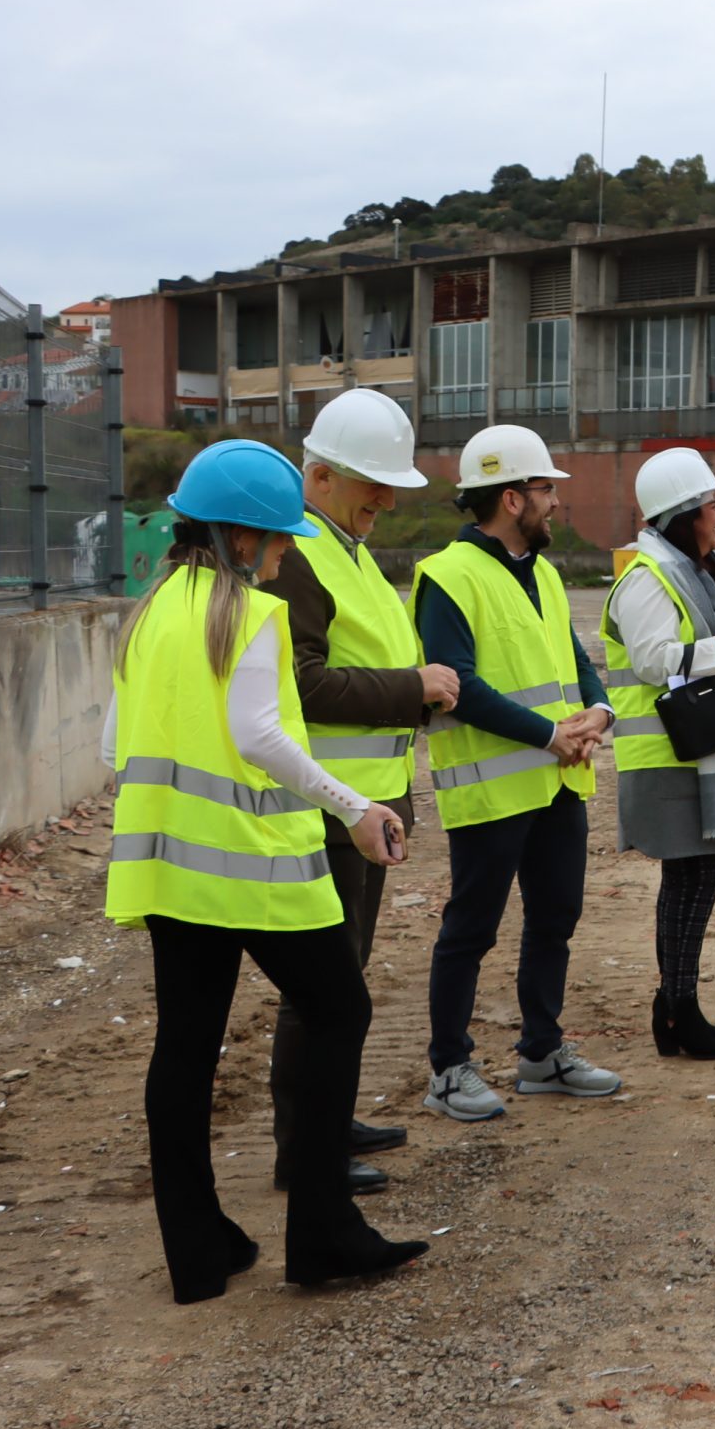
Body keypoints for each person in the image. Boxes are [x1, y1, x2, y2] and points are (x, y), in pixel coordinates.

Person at [102, 440, 427, 1301]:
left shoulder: (150, 611)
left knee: (185, 1047)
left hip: (169, 871)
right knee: (340, 1008)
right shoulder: (250, 614)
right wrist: (355, 809)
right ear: (242, 538)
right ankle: (323, 1234)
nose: (287, 553)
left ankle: (198, 1253)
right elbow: (260, 737)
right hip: (258, 872)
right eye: (278, 540)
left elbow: (114, 744)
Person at [259, 388, 447, 1195]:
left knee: (348, 975)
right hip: (327, 807)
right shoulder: (299, 554)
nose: (384, 498)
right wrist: (412, 686)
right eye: (371, 482)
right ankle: (306, 1145)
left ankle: (327, 1116)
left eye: (390, 484)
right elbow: (297, 684)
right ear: (322, 474)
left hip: (369, 804)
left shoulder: (350, 549)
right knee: (323, 986)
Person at [415, 424, 622, 1121]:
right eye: (545, 488)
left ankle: (541, 1053)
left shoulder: (545, 572)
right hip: (492, 784)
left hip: (557, 780)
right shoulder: (448, 575)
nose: (555, 501)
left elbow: (574, 657)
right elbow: (456, 685)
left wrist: (598, 710)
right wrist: (548, 734)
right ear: (511, 497)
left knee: (555, 917)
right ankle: (448, 1068)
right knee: (471, 928)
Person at [605, 448, 715, 1058]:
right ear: (683, 516)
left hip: (699, 752)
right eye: (711, 505)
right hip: (668, 757)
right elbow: (653, 658)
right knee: (692, 879)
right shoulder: (646, 577)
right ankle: (678, 1010)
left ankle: (677, 1006)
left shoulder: (699, 571)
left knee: (696, 878)